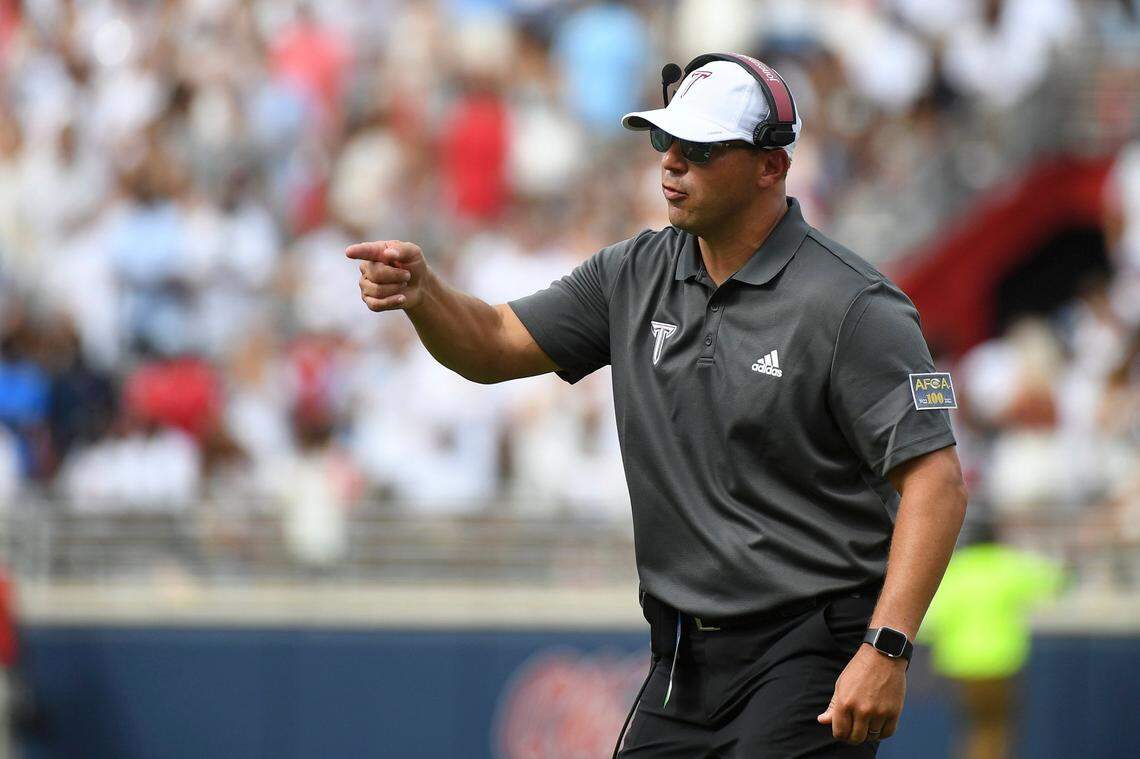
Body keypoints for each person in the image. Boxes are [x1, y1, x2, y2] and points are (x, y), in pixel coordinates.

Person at [347, 52, 969, 757]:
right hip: (683, 660)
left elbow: (936, 483)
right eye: (663, 142)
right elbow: (492, 341)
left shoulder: (854, 304)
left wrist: (886, 647)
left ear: (771, 165)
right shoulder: (635, 271)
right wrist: (424, 296)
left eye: (700, 149)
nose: (671, 164)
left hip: (810, 648)